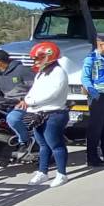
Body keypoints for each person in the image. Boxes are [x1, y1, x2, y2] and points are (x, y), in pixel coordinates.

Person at [21, 41, 71, 188]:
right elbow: (34, 90)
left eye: (38, 58)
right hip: (38, 113)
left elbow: (53, 93)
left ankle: (62, 174)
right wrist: (27, 100)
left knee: (56, 144)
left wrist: (31, 101)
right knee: (43, 144)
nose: (35, 61)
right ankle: (42, 172)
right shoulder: (42, 73)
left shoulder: (58, 72)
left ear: (49, 57)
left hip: (53, 113)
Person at [82, 33, 104, 167]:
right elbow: (85, 78)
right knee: (95, 127)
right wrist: (93, 93)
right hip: (98, 96)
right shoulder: (91, 59)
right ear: (100, 44)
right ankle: (92, 156)